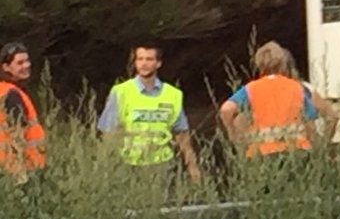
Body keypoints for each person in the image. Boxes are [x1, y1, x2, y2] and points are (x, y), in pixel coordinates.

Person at [97, 42, 201, 183]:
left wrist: (192, 168)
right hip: (129, 165)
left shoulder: (173, 95)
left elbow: (181, 134)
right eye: (140, 59)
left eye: (149, 59)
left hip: (162, 165)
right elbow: (109, 132)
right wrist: (105, 168)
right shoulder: (121, 92)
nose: (144, 64)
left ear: (158, 63)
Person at [219, 41, 320, 160]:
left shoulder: (251, 89)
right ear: (282, 64)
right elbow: (311, 124)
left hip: (262, 155)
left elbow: (226, 109)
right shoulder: (296, 87)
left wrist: (233, 135)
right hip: (297, 153)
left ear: (259, 66)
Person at [0, 42, 46, 182]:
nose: (26, 66)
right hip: (19, 170)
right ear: (6, 67)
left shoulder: (5, 90)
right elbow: (18, 136)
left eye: (27, 60)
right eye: (19, 63)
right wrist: (22, 175)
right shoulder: (11, 94)